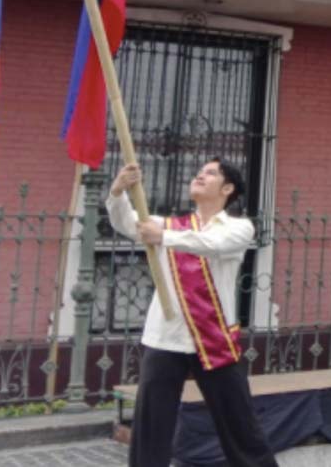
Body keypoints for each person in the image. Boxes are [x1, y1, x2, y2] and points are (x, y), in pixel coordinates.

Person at [107, 159, 277, 467]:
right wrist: (118, 192)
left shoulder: (239, 228)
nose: (200, 175)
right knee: (151, 426)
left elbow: (211, 244)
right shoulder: (169, 226)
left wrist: (163, 237)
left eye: (210, 173)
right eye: (199, 171)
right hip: (166, 337)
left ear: (227, 189)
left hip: (215, 339)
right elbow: (126, 223)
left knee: (239, 424)